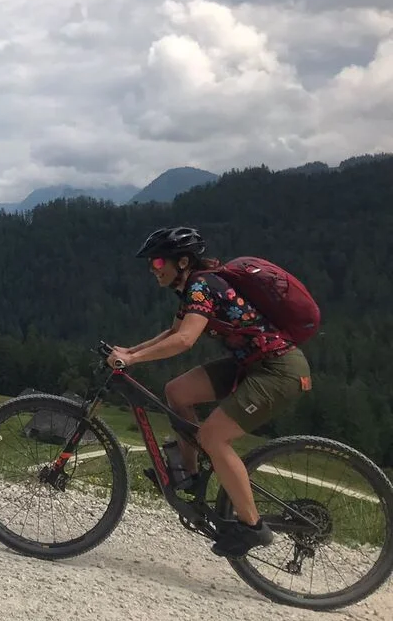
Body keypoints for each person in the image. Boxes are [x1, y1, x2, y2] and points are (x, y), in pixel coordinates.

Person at [107, 226, 313, 559]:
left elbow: (185, 340)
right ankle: (189, 473)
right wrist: (131, 351)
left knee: (214, 438)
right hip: (250, 363)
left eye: (158, 260)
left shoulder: (202, 285)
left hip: (279, 370)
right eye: (150, 262)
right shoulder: (194, 286)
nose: (152, 267)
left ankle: (252, 527)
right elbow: (173, 331)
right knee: (177, 391)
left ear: (183, 261)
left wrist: (132, 358)